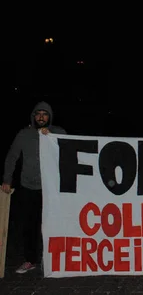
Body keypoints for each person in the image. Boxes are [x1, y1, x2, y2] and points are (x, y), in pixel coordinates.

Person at [2, 101, 66, 274]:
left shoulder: (57, 132)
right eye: (38, 114)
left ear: (49, 117)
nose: (41, 117)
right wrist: (7, 180)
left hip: (49, 187)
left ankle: (49, 258)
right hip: (28, 186)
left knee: (50, 224)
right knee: (29, 225)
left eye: (45, 114)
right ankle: (30, 260)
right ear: (33, 116)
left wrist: (51, 135)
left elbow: (69, 148)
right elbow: (12, 157)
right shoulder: (23, 134)